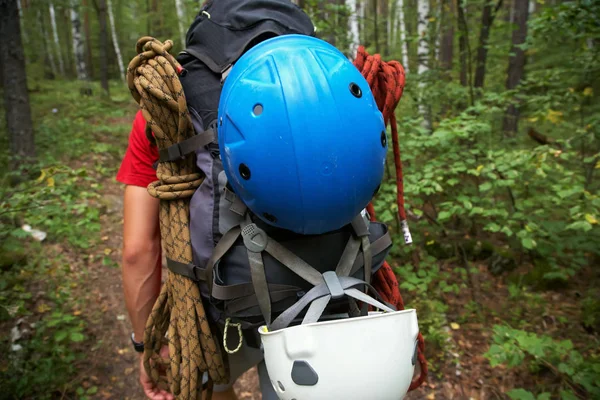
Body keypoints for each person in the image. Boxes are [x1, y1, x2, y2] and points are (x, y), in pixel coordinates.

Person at [116, 111, 280, 400]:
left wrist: (148, 346)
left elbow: (137, 250)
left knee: (214, 385)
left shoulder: (161, 111)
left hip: (214, 305)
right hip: (320, 287)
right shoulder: (312, 75)